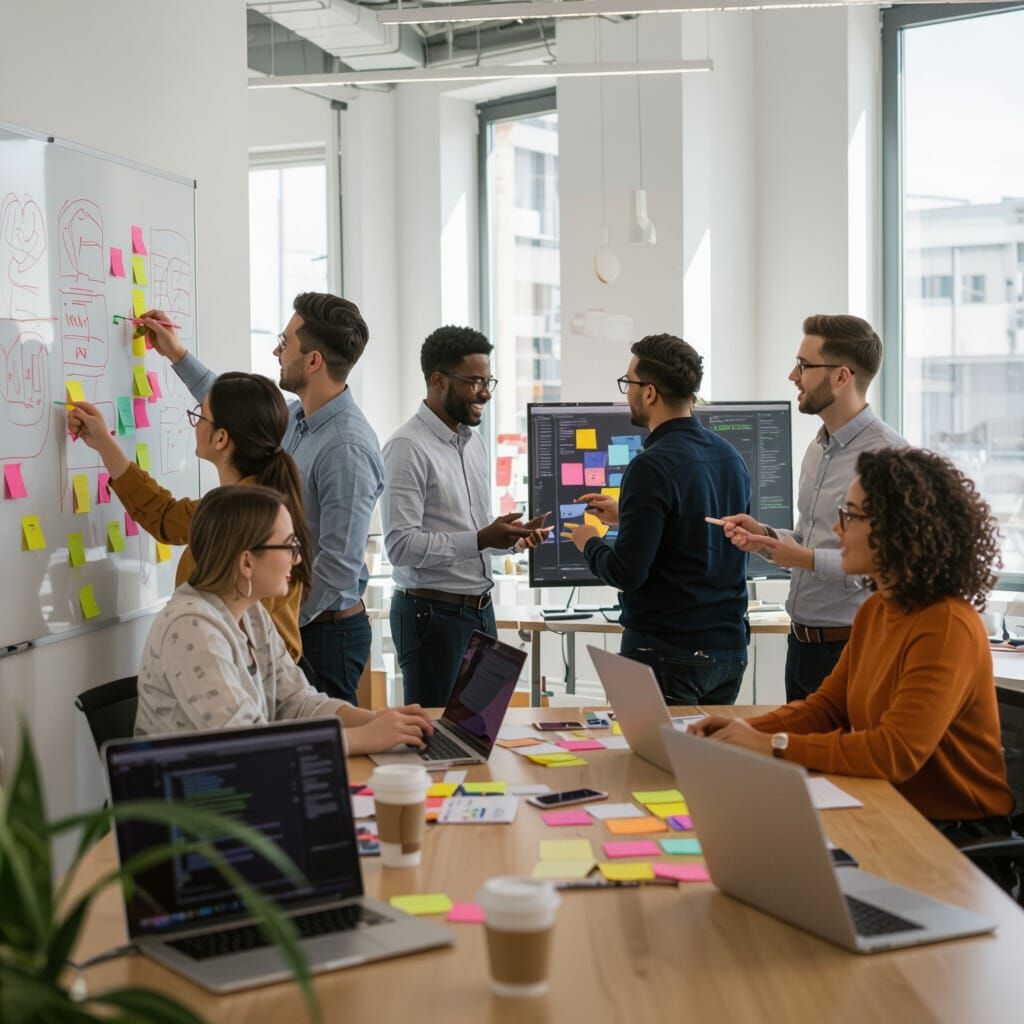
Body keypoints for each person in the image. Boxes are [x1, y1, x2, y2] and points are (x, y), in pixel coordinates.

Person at [692, 448, 1015, 875]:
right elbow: (828, 708)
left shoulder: (946, 624)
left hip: (953, 837)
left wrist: (771, 745)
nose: (837, 528)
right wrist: (744, 731)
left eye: (851, 516)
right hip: (888, 806)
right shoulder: (877, 609)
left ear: (899, 529)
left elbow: (894, 752)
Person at [142, 296, 383, 706]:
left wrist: (273, 616)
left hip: (322, 634)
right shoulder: (295, 419)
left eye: (285, 342)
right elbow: (233, 407)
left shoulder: (347, 447)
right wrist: (177, 355)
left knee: (318, 742)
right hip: (289, 624)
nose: (276, 350)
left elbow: (338, 570)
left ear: (313, 361)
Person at [135, 484, 434, 756]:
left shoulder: (251, 613)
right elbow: (244, 744)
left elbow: (296, 702)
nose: (298, 558)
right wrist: (364, 738)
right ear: (247, 562)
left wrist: (376, 720)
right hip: (194, 795)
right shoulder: (191, 627)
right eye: (289, 545)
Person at [718, 314, 905, 701]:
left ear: (841, 376)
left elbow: (883, 565)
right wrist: (765, 537)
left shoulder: (888, 455)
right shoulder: (818, 448)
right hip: (802, 646)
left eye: (803, 365)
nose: (793, 376)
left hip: (852, 647)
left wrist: (802, 558)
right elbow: (807, 538)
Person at [562, 334, 751, 705]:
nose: (627, 393)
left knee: (651, 748)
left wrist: (589, 542)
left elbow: (626, 573)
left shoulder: (650, 466)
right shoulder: (730, 456)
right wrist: (627, 517)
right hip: (728, 653)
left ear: (649, 393)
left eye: (628, 383)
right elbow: (695, 532)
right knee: (705, 745)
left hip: (666, 652)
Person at [67, 372, 310, 660]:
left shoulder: (242, 517)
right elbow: (164, 515)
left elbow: (252, 643)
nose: (195, 424)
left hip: (236, 679)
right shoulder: (243, 503)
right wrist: (104, 443)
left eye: (200, 416)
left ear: (221, 438)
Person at [382, 325, 549, 707]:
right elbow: (401, 546)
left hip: (479, 612)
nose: (485, 393)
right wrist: (481, 539)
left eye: (488, 381)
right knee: (437, 735)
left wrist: (511, 538)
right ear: (438, 380)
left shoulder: (473, 444)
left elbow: (471, 532)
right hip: (431, 617)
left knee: (480, 729)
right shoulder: (407, 447)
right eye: (474, 382)